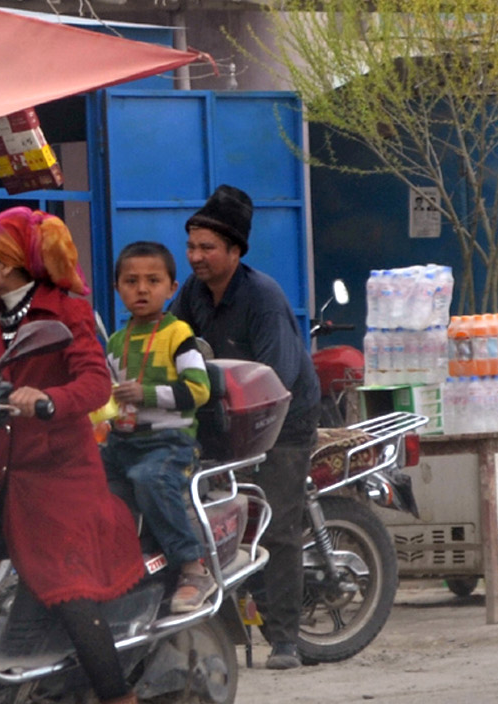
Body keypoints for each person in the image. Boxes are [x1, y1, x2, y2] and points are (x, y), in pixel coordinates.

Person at [0, 206, 144, 704]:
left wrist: (48, 400)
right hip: (0, 471)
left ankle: (118, 695)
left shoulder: (67, 310)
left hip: (59, 475)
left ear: (6, 264)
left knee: (70, 590)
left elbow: (96, 382)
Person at [168, 184, 320, 671]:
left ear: (235, 252)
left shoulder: (263, 298)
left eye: (207, 248)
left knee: (275, 524)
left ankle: (285, 641)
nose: (195, 257)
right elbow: (172, 346)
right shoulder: (191, 293)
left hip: (282, 421)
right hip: (226, 420)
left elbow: (278, 377)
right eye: (191, 246)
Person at [102, 241, 214, 614]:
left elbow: (198, 389)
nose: (142, 289)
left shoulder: (178, 333)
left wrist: (146, 393)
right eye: (131, 281)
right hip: (122, 441)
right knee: (82, 482)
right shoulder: (115, 342)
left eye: (153, 280)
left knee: (151, 479)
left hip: (169, 442)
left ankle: (193, 568)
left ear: (172, 288)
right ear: (117, 287)